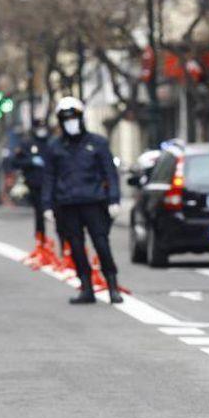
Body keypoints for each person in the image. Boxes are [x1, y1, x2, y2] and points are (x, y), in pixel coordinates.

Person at [42, 97, 123, 304]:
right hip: (67, 205)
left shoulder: (97, 143)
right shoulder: (54, 147)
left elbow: (110, 174)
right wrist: (47, 205)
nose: (71, 122)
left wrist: (114, 199)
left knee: (101, 244)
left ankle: (112, 285)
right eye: (66, 118)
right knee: (76, 248)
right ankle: (86, 288)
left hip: (94, 202)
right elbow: (49, 177)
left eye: (74, 117)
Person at [12, 119, 65, 250]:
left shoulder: (53, 142)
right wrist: (31, 161)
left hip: (55, 186)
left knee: (60, 217)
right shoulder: (27, 143)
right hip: (36, 185)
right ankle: (41, 244)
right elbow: (15, 162)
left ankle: (65, 246)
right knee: (40, 216)